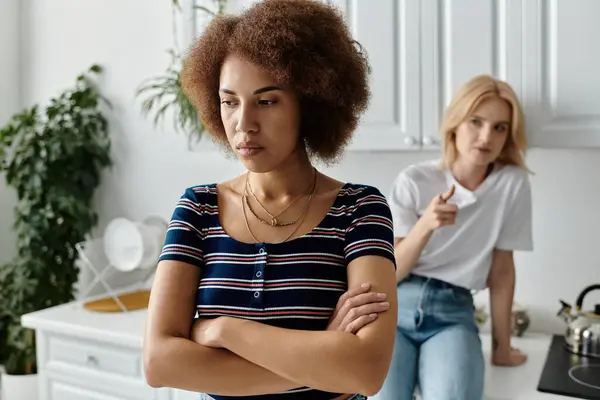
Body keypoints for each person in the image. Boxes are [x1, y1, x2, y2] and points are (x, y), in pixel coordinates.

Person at [142, 1, 398, 399]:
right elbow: (160, 363)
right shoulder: (197, 209)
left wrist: (222, 329)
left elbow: (366, 371)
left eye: (266, 100)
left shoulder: (359, 210)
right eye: (229, 101)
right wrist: (325, 362)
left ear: (309, 103)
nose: (243, 123)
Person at [377, 74, 533, 400]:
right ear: (455, 124)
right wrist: (425, 225)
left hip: (454, 312)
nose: (486, 136)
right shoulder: (415, 180)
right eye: (476, 122)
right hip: (396, 305)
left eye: (499, 127)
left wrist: (502, 347)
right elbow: (390, 273)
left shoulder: (511, 184)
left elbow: (502, 270)